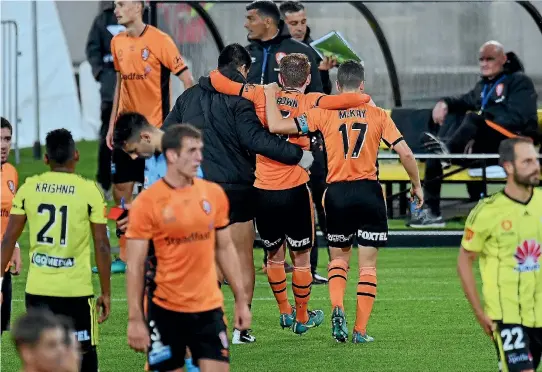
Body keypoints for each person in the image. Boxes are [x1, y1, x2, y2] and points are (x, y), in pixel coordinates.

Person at [208, 53, 371, 333]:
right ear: (308, 79)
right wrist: (363, 98)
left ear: (280, 77)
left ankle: (284, 312)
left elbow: (215, 80)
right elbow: (352, 99)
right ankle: (303, 316)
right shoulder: (312, 100)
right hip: (295, 190)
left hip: (262, 189)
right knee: (302, 258)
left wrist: (263, 89)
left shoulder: (261, 94)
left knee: (273, 255)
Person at [163, 43, 313, 344]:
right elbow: (254, 138)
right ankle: (241, 330)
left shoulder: (189, 96)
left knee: (207, 258)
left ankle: (210, 325)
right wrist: (297, 155)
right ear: (244, 69)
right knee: (242, 258)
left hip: (199, 189)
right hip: (237, 189)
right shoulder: (241, 96)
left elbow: (166, 134)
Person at [263, 60, 423, 343]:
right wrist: (416, 186)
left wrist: (268, 92)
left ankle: (337, 307)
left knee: (338, 260)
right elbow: (406, 154)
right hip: (369, 192)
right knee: (368, 266)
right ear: (362, 86)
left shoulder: (323, 114)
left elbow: (278, 126)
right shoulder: (378, 115)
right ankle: (360, 331)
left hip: (336, 194)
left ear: (337, 86)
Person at [125, 124, 251, 372]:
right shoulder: (147, 203)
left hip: (209, 308)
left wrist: (241, 300)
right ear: (172, 155)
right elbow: (135, 265)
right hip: (165, 309)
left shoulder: (213, 194)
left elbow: (225, 248)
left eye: (200, 150)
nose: (199, 157)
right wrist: (135, 318)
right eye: (191, 151)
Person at [0, 129, 112, 372]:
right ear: (77, 155)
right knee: (83, 354)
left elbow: (8, 239)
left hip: (38, 290)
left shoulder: (29, 188)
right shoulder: (89, 190)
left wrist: (0, 283)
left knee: (42, 357)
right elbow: (102, 245)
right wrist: (106, 292)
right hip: (77, 291)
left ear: (46, 159)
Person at [104, 0, 194, 273]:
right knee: (121, 191)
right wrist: (111, 126)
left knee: (153, 192)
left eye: (121, 4)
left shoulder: (160, 41)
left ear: (137, 6)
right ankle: (124, 254)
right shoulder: (117, 41)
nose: (116, 9)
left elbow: (187, 81)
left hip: (153, 134)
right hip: (125, 131)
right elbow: (120, 84)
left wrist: (176, 126)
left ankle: (157, 251)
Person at [112, 112, 201, 372]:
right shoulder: (154, 159)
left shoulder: (184, 156)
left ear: (145, 136)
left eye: (133, 150)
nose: (134, 156)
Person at [416, 40, 538, 227]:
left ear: (503, 59)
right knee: (435, 153)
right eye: (481, 59)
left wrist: (484, 121)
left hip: (512, 142)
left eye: (490, 59)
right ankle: (432, 214)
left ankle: (447, 153)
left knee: (473, 119)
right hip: (483, 144)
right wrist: (444, 103)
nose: (484, 63)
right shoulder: (483, 86)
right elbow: (464, 100)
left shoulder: (520, 81)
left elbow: (521, 118)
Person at [457, 137, 541, 372]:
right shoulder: (487, 212)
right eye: (527, 161)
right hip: (508, 316)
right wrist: (479, 312)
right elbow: (465, 260)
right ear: (509, 167)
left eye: (536, 159)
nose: (536, 166)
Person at [278, 0, 338, 282]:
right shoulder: (269, 54)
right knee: (293, 206)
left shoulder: (314, 51)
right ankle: (294, 265)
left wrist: (324, 72)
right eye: (294, 23)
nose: (300, 28)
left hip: (313, 143)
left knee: (322, 202)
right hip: (281, 144)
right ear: (281, 24)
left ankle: (331, 264)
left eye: (302, 22)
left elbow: (320, 98)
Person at [85, 0, 125, 199]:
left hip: (137, 86)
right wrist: (100, 73)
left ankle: (135, 182)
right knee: (108, 135)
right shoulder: (102, 20)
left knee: (138, 133)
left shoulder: (141, 15)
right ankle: (104, 182)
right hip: (110, 88)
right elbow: (92, 48)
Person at [244, 0, 323, 93]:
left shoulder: (303, 51)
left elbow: (316, 94)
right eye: (294, 23)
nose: (246, 25)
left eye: (251, 19)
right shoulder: (244, 53)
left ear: (268, 22)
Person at [0, 117, 22, 335]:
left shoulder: (11, 173)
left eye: (7, 139)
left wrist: (15, 247)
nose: (4, 145)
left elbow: (12, 214)